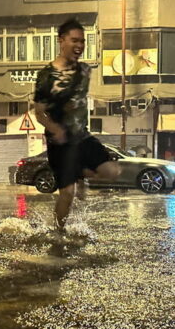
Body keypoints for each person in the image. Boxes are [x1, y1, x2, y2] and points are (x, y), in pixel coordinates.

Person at [34, 18, 120, 232]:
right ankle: (57, 232)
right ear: (61, 41)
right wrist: (55, 128)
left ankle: (80, 173)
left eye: (82, 41)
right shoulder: (46, 76)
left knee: (113, 170)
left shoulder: (85, 70)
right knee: (67, 194)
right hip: (59, 143)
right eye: (74, 40)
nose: (79, 46)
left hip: (82, 137)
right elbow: (38, 113)